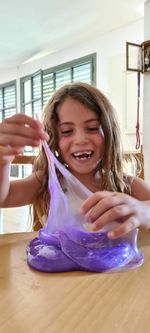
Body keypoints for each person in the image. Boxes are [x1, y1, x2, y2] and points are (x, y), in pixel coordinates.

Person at [0, 82, 150, 240]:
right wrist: (2, 162)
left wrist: (144, 211)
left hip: (121, 266)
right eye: (66, 131)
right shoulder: (46, 182)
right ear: (54, 139)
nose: (80, 140)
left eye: (92, 128)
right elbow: (4, 197)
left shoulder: (127, 186)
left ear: (109, 133)